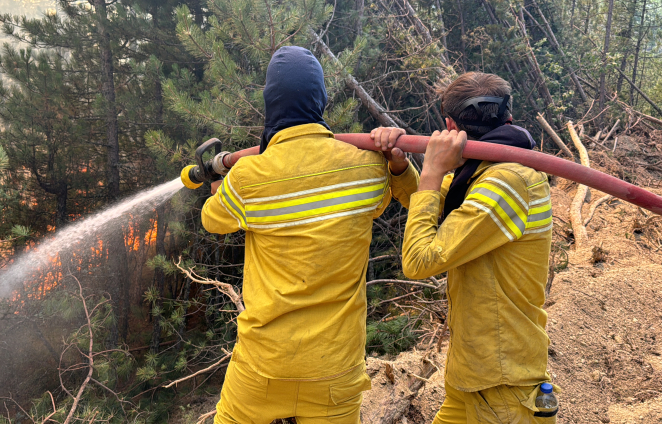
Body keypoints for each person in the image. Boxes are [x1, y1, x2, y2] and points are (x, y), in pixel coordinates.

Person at [201, 46, 420, 423]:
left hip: (262, 367)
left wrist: (220, 184)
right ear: (321, 99)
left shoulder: (247, 179)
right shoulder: (367, 168)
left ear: (271, 104)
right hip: (334, 370)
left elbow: (212, 220)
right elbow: (416, 196)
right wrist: (398, 163)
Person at [377, 72, 556, 423]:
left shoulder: (508, 182)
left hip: (504, 387)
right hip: (474, 377)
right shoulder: (477, 174)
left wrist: (430, 172)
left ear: (448, 125)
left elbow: (419, 260)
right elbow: (429, 203)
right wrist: (400, 167)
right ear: (508, 117)